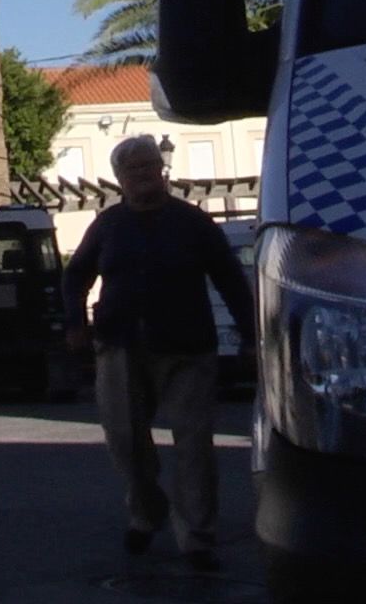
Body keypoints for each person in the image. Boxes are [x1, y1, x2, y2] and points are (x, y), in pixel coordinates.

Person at [64, 134, 255, 572]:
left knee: (193, 444)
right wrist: (75, 323)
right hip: (121, 346)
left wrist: (249, 337)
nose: (145, 175)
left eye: (151, 166)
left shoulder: (192, 223)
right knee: (125, 441)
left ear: (161, 171)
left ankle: (197, 538)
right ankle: (147, 511)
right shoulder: (108, 226)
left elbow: (230, 280)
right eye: (135, 170)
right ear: (120, 179)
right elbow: (74, 276)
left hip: (187, 348)